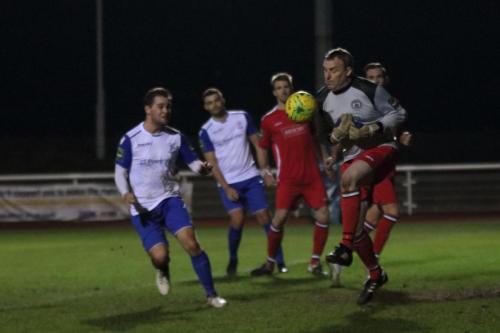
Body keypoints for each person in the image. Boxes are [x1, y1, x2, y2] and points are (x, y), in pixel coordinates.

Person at [114, 87, 227, 308]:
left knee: (192, 244)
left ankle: (212, 295)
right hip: (143, 208)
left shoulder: (175, 137)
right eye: (161, 106)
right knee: (160, 256)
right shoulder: (131, 138)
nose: (166, 110)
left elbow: (192, 162)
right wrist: (125, 192)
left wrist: (202, 168)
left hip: (170, 200)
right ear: (148, 109)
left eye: (168, 106)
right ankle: (162, 268)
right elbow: (120, 171)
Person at [320, 48, 406, 304]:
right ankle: (375, 273)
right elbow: (330, 135)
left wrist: (374, 127)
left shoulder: (368, 88)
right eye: (325, 70)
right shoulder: (322, 99)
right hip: (352, 158)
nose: (328, 75)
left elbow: (399, 113)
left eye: (333, 70)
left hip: (380, 149)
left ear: (347, 71)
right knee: (359, 231)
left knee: (351, 181)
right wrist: (334, 142)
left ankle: (344, 246)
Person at [198, 87, 287, 277]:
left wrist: (265, 171)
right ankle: (233, 258)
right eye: (210, 102)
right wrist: (226, 187)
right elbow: (211, 162)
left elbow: (258, 144)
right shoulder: (205, 131)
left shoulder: (242, 117)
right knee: (237, 219)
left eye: (217, 100)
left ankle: (278, 259)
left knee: (264, 216)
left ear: (223, 100)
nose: (214, 104)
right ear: (206, 107)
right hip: (228, 182)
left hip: (250, 177)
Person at [250, 72, 331, 276]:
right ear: (274, 92)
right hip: (288, 178)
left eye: (286, 87)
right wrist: (266, 171)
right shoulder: (269, 120)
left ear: (292, 88)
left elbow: (319, 137)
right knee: (279, 218)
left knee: (323, 216)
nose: (283, 91)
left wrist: (326, 161)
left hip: (311, 175)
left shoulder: (305, 111)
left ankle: (314, 263)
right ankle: (270, 262)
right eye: (278, 88)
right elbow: (262, 147)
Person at [362, 62, 412, 256]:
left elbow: (398, 129)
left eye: (378, 77)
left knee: (372, 218)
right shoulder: (363, 106)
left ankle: (344, 249)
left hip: (388, 164)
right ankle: (372, 261)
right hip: (374, 166)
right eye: (370, 78)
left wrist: (403, 136)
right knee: (391, 213)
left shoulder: (392, 103)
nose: (375, 81)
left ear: (385, 79)